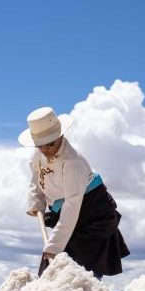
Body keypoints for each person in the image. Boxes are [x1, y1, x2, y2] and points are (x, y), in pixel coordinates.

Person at [20, 107, 130, 279]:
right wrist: (36, 202)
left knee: (84, 267)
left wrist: (54, 246)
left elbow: (72, 206)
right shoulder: (38, 154)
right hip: (63, 209)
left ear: (60, 136)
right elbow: (37, 177)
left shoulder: (73, 162)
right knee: (50, 271)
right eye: (41, 145)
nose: (46, 149)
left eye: (50, 144)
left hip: (90, 210)